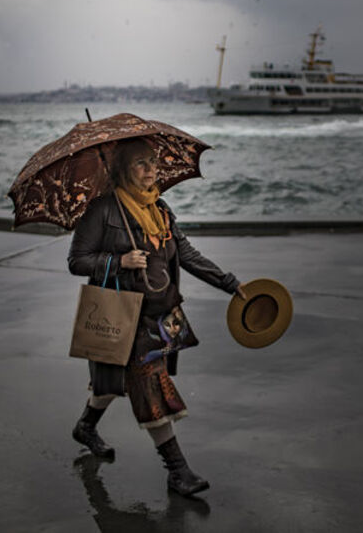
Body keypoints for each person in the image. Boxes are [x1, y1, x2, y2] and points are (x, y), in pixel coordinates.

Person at [67, 137, 246, 496]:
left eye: (153, 163)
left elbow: (188, 254)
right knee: (150, 386)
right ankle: (177, 470)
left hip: (159, 316)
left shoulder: (160, 210)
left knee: (114, 381)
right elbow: (77, 261)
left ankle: (86, 426)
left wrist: (230, 284)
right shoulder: (103, 210)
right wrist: (119, 262)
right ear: (123, 169)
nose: (151, 171)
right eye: (141, 164)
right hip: (124, 317)